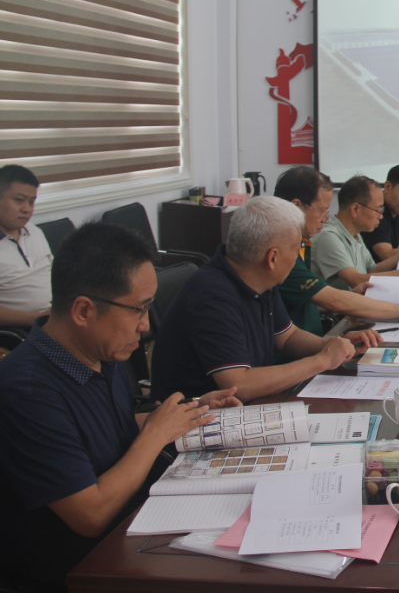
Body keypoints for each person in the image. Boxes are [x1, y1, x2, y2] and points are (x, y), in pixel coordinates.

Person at [0, 223, 239, 591]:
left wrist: (188, 412)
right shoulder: (28, 390)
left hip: (137, 520)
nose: (145, 326)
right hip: (85, 567)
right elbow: (90, 514)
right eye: (138, 310)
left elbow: (109, 428)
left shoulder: (99, 351)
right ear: (83, 310)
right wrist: (155, 434)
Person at [151, 196, 372, 404]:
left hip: (247, 407)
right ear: (273, 257)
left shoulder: (258, 277)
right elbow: (239, 385)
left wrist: (333, 346)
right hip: (197, 421)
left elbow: (287, 337)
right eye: (296, 250)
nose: (297, 257)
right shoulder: (213, 296)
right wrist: (323, 360)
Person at [272, 167, 399, 336]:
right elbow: (335, 297)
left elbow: (307, 301)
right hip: (318, 333)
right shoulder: (282, 254)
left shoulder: (301, 246)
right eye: (322, 210)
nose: (325, 218)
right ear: (296, 207)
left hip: (314, 337)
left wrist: (350, 295)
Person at [311, 175, 399, 289]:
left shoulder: (355, 235)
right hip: (340, 307)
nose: (381, 216)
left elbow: (373, 270)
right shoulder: (328, 236)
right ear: (356, 209)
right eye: (378, 210)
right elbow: (356, 280)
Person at [0, 165, 52, 328]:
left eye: (31, 202)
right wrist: (37, 319)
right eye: (19, 200)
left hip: (61, 313)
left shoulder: (34, 232)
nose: (27, 209)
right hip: (28, 328)